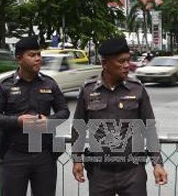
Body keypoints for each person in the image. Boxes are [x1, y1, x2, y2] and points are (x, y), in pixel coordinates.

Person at [71, 37, 168, 196]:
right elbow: (78, 127)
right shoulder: (88, 90)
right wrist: (77, 160)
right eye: (121, 62)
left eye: (128, 61)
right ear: (105, 64)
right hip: (100, 174)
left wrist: (157, 164)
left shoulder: (137, 89)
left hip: (132, 173)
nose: (126, 66)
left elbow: (149, 129)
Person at [0, 36, 70, 196]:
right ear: (19, 58)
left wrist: (49, 121)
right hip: (15, 155)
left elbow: (64, 111)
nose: (38, 59)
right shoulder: (5, 86)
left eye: (39, 54)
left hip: (44, 154)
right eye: (32, 55)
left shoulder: (49, 83)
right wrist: (17, 121)